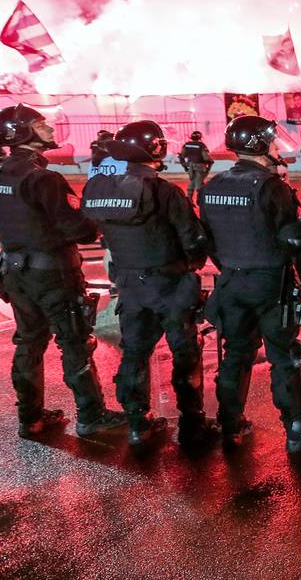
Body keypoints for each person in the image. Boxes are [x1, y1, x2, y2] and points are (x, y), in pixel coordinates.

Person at [0, 104, 126, 439]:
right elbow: (80, 230)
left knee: (29, 343)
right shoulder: (44, 178)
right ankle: (91, 415)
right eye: (40, 124)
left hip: (14, 273)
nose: (49, 128)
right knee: (74, 342)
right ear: (23, 133)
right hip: (54, 274)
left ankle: (30, 417)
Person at [81, 121, 217, 447]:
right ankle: (192, 424)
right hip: (169, 283)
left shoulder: (101, 189)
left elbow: (88, 230)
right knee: (185, 352)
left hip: (128, 283)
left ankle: (137, 423)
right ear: (155, 148)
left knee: (135, 352)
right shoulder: (164, 191)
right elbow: (194, 239)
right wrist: (192, 264)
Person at [198, 115, 301, 454]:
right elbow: (296, 240)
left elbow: (206, 240)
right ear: (258, 145)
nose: (275, 146)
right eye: (270, 141)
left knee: (236, 355)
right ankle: (297, 429)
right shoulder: (271, 187)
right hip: (270, 283)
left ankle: (230, 423)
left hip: (231, 283)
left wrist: (228, 267)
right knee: (284, 356)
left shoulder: (212, 186)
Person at [178, 131, 213, 201]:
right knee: (198, 183)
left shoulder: (187, 145)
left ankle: (189, 199)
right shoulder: (201, 145)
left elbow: (182, 156)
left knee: (193, 181)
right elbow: (206, 157)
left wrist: (184, 165)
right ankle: (200, 199)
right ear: (199, 137)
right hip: (200, 166)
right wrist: (210, 162)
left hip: (190, 166)